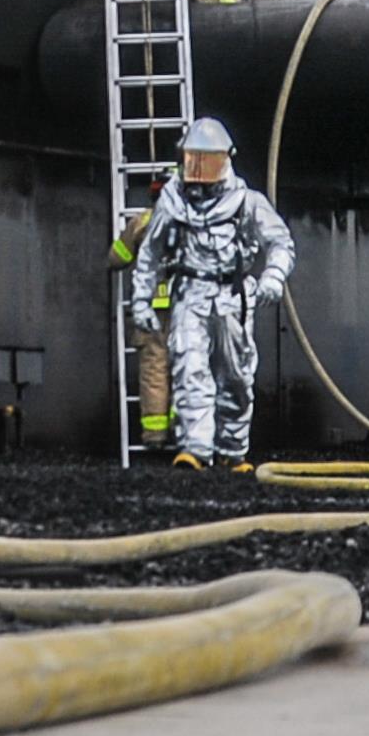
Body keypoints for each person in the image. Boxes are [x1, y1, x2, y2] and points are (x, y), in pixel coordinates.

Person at [129, 116, 295, 472]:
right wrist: (141, 300)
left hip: (231, 297)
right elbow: (151, 254)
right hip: (190, 294)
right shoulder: (173, 204)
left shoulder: (247, 203)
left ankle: (232, 449)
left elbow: (279, 242)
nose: (200, 171)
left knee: (235, 377)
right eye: (193, 161)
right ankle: (196, 448)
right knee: (191, 370)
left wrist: (273, 277)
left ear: (226, 161)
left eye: (209, 162)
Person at [107, 183, 175, 449]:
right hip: (188, 307)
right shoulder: (194, 220)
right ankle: (188, 431)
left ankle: (155, 435)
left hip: (151, 309)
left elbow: (116, 258)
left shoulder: (143, 221)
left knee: (154, 370)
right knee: (190, 369)